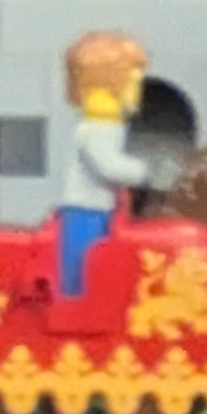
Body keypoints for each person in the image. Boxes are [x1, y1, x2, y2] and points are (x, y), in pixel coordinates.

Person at [56, 30, 153, 303]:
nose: (137, 88)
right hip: (86, 209)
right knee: (86, 263)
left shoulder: (105, 126)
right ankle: (76, 303)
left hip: (99, 207)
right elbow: (109, 167)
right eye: (133, 80)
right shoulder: (97, 128)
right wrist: (145, 171)